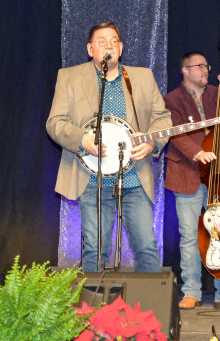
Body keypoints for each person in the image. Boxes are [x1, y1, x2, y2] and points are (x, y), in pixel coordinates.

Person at [46, 22, 171, 272]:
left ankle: (148, 310)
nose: (108, 45)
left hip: (134, 177)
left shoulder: (142, 77)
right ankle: (93, 311)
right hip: (92, 179)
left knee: (146, 246)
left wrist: (152, 141)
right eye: (101, 41)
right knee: (94, 249)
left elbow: (162, 117)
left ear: (121, 48)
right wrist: (82, 140)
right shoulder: (69, 77)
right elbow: (55, 123)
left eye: (113, 40)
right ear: (90, 49)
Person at [164, 52, 220, 310]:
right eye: (200, 66)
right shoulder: (172, 99)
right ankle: (191, 291)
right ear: (185, 71)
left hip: (218, 175)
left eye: (207, 66)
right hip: (187, 175)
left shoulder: (217, 93)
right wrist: (197, 152)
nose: (206, 70)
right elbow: (176, 135)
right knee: (189, 236)